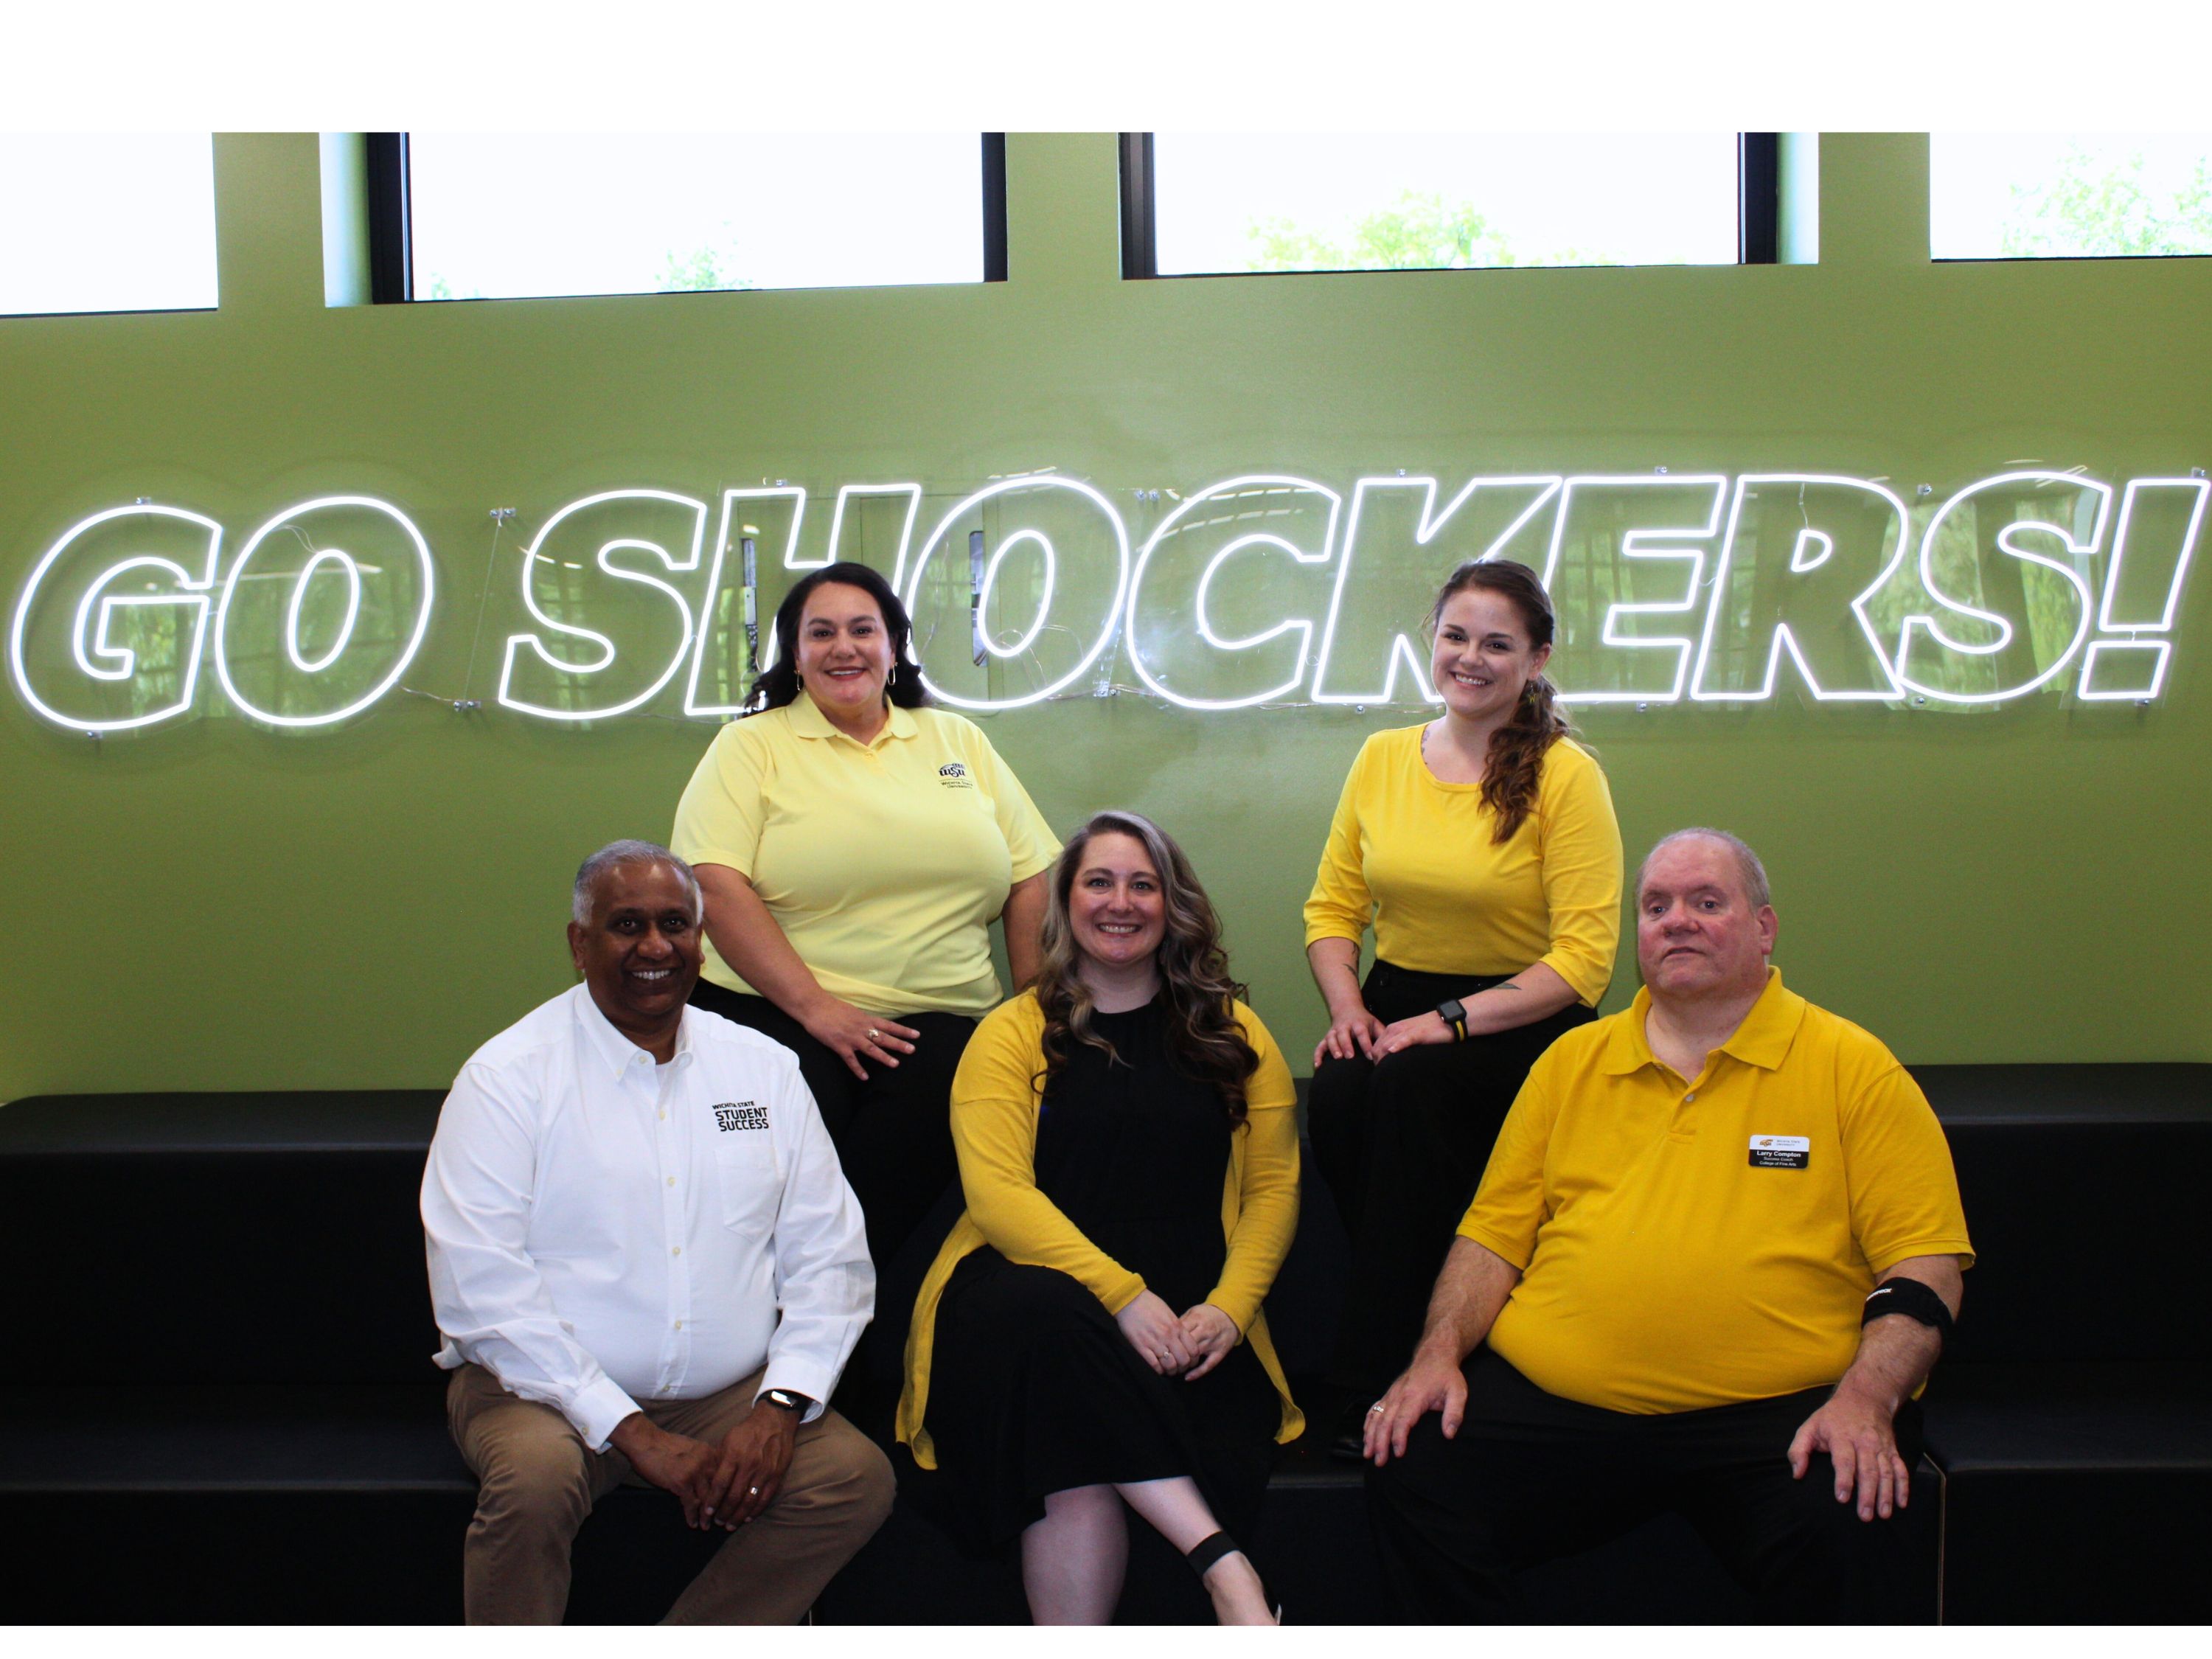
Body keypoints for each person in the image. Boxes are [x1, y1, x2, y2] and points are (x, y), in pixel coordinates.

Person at [1362, 829, 1975, 1623]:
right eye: (1656, 907)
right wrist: (1436, 1357)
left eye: (1706, 902)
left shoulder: (1852, 1066)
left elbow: (1928, 1266)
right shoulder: (1570, 1063)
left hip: (1777, 1416)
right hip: (1561, 1407)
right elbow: (1491, 1239)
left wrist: (1868, 1398)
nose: (1676, 921)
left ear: (1764, 928)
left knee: (1856, 1505)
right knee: (1408, 1460)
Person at [421, 840, 893, 1624]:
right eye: (626, 925)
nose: (655, 947)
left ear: (701, 943)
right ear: (579, 945)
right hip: (539, 1393)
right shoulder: (508, 1078)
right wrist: (628, 1428)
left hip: (728, 1394)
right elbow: (482, 1288)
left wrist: (780, 1405)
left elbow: (831, 1260)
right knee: (534, 1487)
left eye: (676, 923)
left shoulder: (764, 1070)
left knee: (854, 1479)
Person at [894, 811, 1301, 1626]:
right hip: (1022, 1300)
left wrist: (1229, 1308)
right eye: (1099, 882)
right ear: (1065, 902)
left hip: (1185, 1315)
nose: (1122, 902)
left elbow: (1274, 1189)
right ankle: (1228, 1574)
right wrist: (1118, 1296)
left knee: (1071, 1442)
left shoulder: (1231, 1031)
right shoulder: (1011, 1034)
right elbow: (998, 1197)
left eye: (1143, 883)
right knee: (1049, 1331)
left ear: (1172, 902)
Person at [1301, 557, 1623, 1435]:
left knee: (1406, 1095)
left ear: (1537, 658)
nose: (1470, 658)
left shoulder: (1567, 775)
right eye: (1455, 636)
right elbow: (1333, 909)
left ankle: (1376, 1371)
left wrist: (1445, 1026)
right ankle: (1443, 1311)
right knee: (1335, 1099)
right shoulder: (1380, 758)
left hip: (1525, 1016)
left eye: (1497, 643)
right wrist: (1349, 1012)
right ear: (1431, 642)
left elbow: (1584, 961)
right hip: (1396, 997)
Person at [670, 560, 1059, 1277]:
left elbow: (1030, 871)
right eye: (821, 633)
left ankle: (821, 1357)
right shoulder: (749, 747)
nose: (843, 647)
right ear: (795, 654)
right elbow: (713, 884)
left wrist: (1034, 1006)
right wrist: (818, 1009)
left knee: (884, 1193)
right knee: (787, 1185)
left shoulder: (955, 745)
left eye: (862, 629)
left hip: (937, 1020)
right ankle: (783, 1360)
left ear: (892, 647)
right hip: (775, 1015)